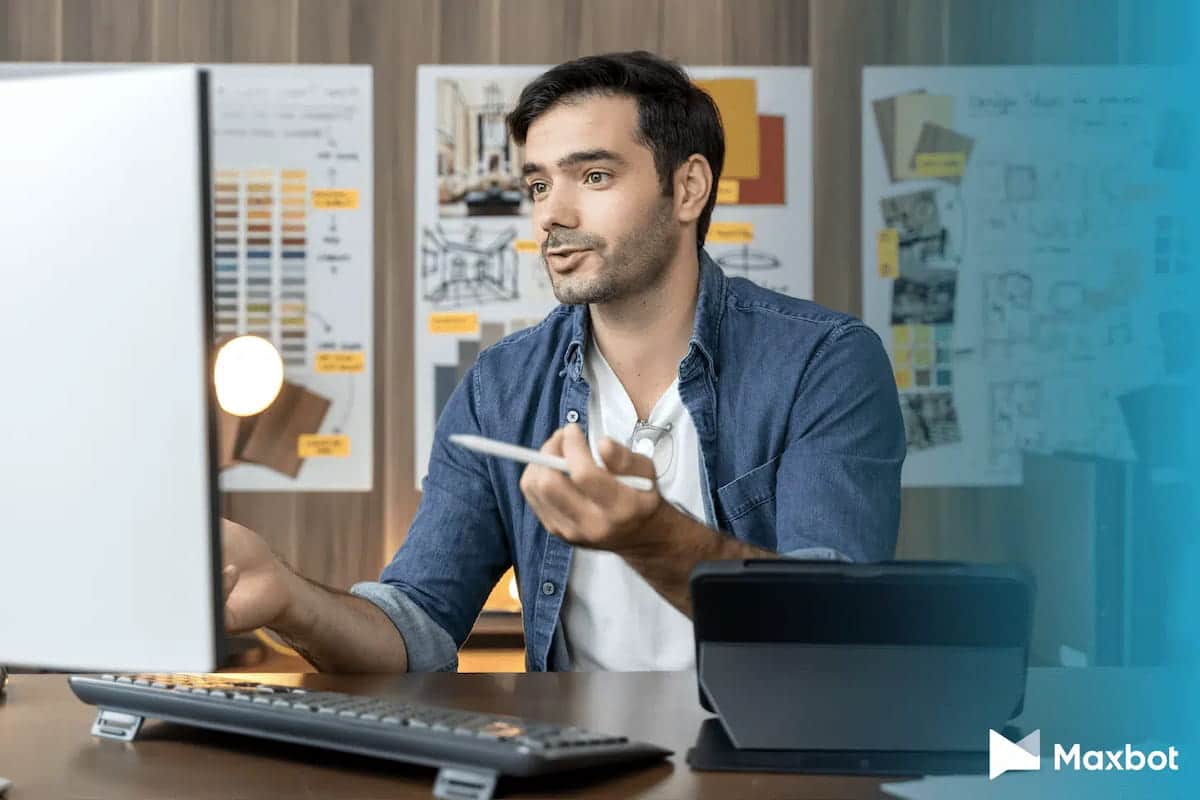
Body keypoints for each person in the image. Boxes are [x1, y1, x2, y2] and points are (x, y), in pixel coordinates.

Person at [221, 51, 905, 673]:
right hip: (585, 765)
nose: (552, 213)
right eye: (540, 185)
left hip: (767, 761)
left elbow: (833, 625)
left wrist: (651, 534)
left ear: (688, 188)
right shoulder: (500, 386)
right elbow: (416, 629)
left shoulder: (824, 362)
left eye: (595, 175)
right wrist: (288, 599)